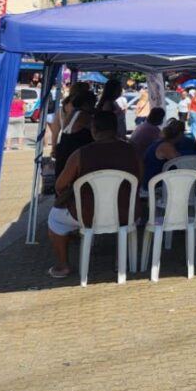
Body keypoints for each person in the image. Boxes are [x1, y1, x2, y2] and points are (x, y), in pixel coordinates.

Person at [47, 110, 143, 279]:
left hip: (87, 214)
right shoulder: (133, 151)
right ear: (115, 129)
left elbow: (60, 185)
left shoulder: (81, 154)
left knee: (55, 219)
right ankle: (120, 260)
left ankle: (63, 265)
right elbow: (139, 179)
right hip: (127, 213)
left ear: (94, 130)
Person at [141, 118, 196, 184]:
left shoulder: (163, 142)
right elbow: (181, 164)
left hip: (154, 182)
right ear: (180, 134)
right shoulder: (166, 146)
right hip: (153, 186)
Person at [53, 92, 96, 173]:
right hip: (73, 152)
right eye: (93, 103)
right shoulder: (83, 115)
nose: (93, 106)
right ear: (86, 103)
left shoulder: (73, 113)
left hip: (65, 149)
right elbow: (97, 130)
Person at [50, 81, 91, 152]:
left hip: (64, 143)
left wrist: (53, 149)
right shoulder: (82, 111)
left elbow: (55, 132)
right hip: (78, 145)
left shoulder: (61, 109)